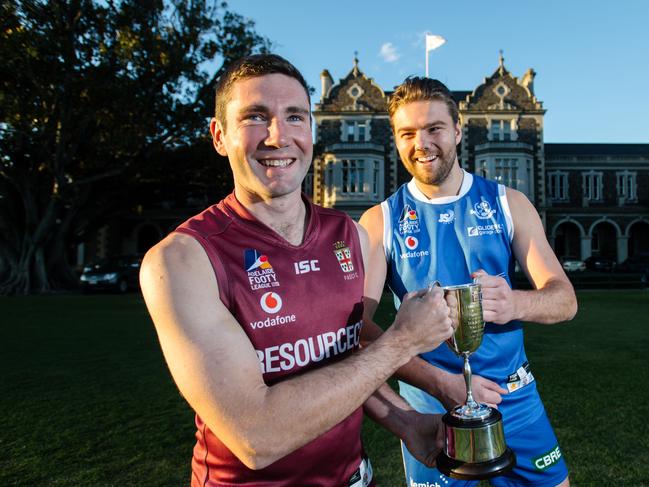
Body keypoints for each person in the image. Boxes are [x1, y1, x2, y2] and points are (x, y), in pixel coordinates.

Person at [139, 55, 456, 486]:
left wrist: (407, 423)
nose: (278, 136)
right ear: (219, 135)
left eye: (294, 116)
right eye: (255, 116)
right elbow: (256, 436)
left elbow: (342, 359)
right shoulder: (182, 260)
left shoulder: (349, 235)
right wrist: (402, 341)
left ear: (310, 130)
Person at [359, 77, 578, 487]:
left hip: (514, 395)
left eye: (434, 129)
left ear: (458, 131)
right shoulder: (380, 220)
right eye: (407, 133)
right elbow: (358, 329)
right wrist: (442, 384)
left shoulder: (508, 203)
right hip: (429, 404)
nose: (421, 143)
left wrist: (515, 304)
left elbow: (564, 299)